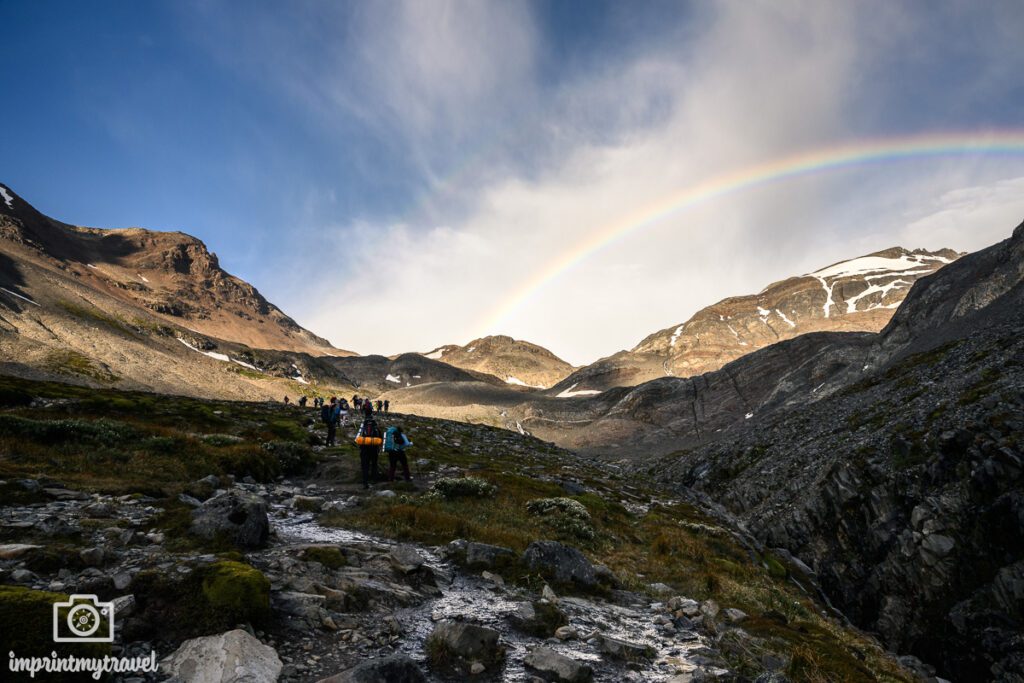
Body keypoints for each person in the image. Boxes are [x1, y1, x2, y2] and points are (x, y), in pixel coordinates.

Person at [355, 417, 383, 489]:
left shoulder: (362, 429)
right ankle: (374, 480)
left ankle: (365, 482)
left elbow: (357, 439)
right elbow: (381, 439)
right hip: (374, 449)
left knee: (365, 466)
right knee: (374, 464)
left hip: (364, 450)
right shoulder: (376, 429)